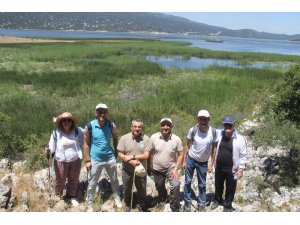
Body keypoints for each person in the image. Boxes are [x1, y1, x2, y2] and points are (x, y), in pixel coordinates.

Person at [84, 103, 122, 212]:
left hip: (110, 157)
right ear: (95, 113)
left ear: (107, 113)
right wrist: (87, 160)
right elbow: (85, 144)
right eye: (99, 111)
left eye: (104, 112)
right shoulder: (89, 126)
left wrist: (116, 151)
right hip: (95, 159)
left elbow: (115, 138)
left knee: (114, 179)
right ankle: (89, 203)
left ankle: (117, 197)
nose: (102, 114)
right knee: (92, 182)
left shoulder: (111, 125)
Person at [145, 117, 184, 212]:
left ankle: (174, 206)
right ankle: (163, 198)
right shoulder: (154, 137)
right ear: (160, 126)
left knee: (176, 185)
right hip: (157, 169)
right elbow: (148, 152)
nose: (165, 127)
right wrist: (148, 167)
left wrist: (176, 169)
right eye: (163, 125)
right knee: (159, 186)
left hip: (171, 168)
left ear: (171, 127)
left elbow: (181, 153)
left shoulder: (176, 139)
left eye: (168, 125)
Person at [45, 112, 83, 205]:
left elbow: (84, 138)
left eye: (69, 120)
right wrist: (47, 151)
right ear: (61, 122)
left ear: (72, 122)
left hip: (75, 159)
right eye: (64, 120)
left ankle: (71, 196)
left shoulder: (78, 130)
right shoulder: (56, 133)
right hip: (60, 161)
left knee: (74, 179)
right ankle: (58, 195)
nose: (67, 122)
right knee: (60, 179)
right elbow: (51, 147)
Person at [182, 110, 217, 212]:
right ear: (198, 119)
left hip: (203, 162)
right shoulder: (193, 130)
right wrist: (184, 161)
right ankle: (187, 201)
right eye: (201, 119)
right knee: (187, 181)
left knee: (202, 184)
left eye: (205, 119)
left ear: (208, 119)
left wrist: (211, 164)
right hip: (191, 159)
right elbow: (187, 145)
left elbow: (214, 149)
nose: (203, 121)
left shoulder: (213, 132)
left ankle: (201, 202)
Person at [211, 115, 247, 212]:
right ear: (223, 125)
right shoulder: (219, 134)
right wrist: (200, 125)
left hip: (232, 170)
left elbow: (243, 155)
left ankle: (227, 205)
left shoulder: (240, 139)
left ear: (234, 125)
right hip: (219, 167)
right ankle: (218, 200)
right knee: (218, 185)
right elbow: (209, 129)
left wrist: (241, 169)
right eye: (226, 124)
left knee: (231, 188)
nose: (227, 127)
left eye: (230, 125)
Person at [117, 119, 150, 212]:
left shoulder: (146, 139)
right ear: (131, 127)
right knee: (127, 186)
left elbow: (146, 155)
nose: (137, 129)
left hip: (141, 168)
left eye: (139, 127)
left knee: (142, 187)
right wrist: (131, 162)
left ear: (142, 128)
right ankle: (128, 203)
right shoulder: (124, 138)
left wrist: (132, 157)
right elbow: (120, 153)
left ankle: (141, 203)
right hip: (127, 168)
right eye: (135, 126)